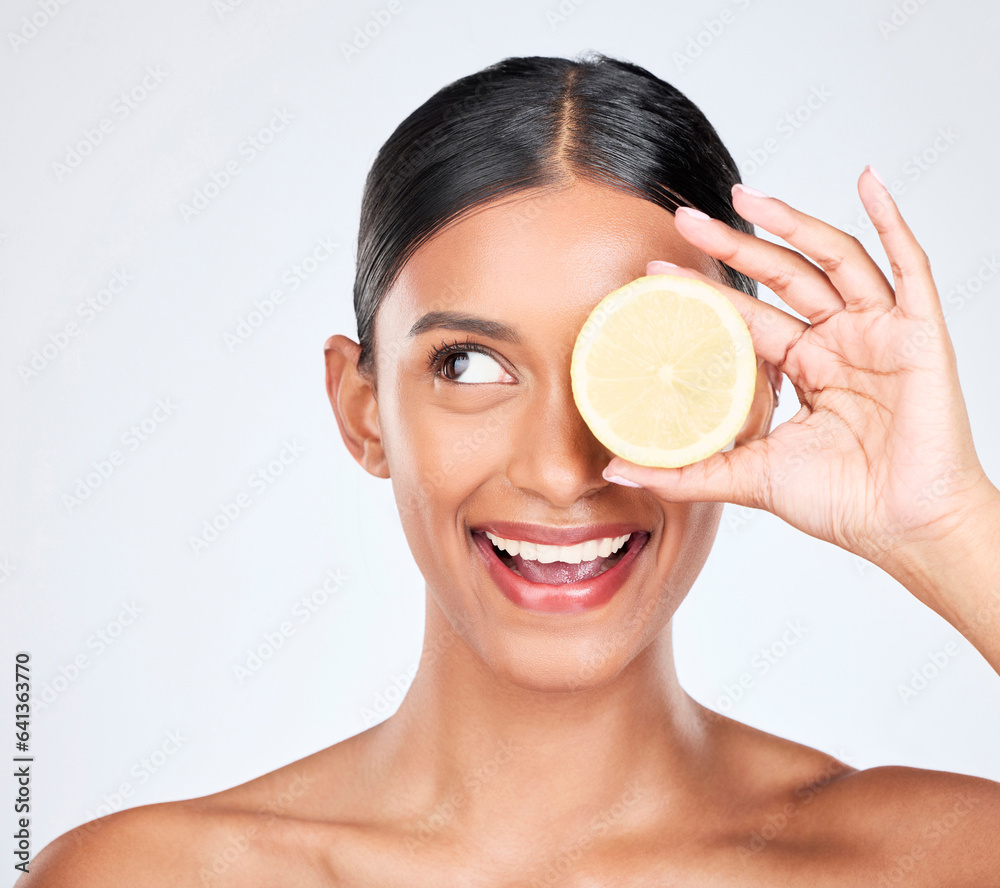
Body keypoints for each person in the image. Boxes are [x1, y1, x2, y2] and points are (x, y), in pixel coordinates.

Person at [21, 51, 1000, 886]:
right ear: (361, 410)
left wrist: (948, 524)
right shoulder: (143, 877)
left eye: (630, 363)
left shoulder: (930, 862)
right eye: (470, 365)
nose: (561, 470)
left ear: (748, 395)